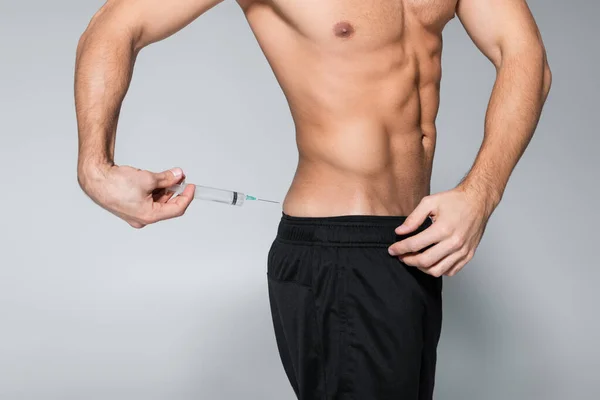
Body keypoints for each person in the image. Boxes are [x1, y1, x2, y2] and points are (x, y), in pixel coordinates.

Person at [75, 0, 551, 398]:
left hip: (415, 248)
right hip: (337, 252)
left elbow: (524, 54)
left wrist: (481, 193)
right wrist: (96, 168)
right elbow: (118, 23)